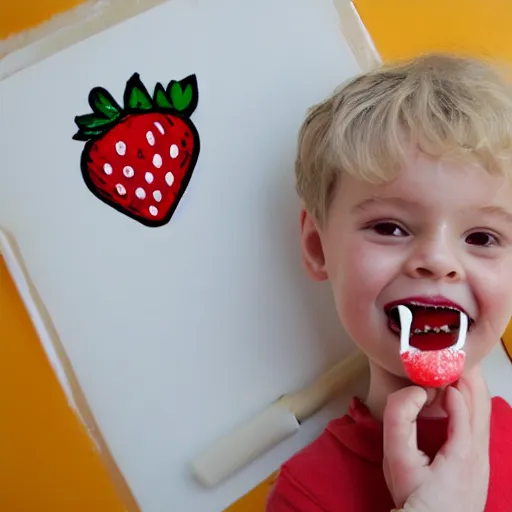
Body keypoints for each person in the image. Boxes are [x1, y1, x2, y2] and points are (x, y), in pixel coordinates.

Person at [265, 53, 512, 512]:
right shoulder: (305, 497)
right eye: (390, 228)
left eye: (481, 237)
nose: (439, 261)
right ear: (319, 248)